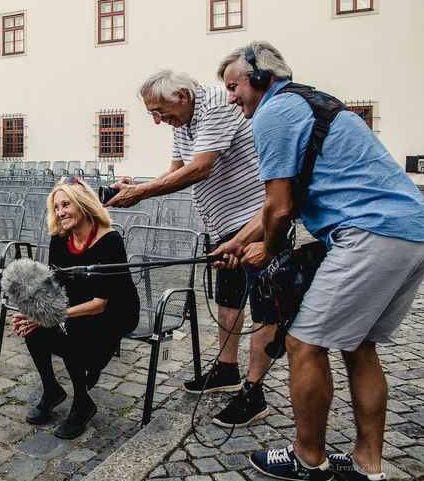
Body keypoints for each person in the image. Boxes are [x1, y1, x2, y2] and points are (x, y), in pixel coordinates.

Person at [216, 41, 424, 481]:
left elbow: (279, 207)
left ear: (259, 78)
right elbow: (271, 208)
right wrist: (235, 242)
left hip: (369, 231)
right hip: (409, 231)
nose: (231, 98)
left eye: (234, 87)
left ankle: (308, 459)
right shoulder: (310, 101)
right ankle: (368, 463)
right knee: (357, 343)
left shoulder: (274, 112)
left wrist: (267, 248)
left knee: (303, 343)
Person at [105, 69, 277, 428]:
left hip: (254, 221)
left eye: (159, 110)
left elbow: (200, 169)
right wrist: (134, 186)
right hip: (220, 224)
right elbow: (176, 169)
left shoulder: (215, 105)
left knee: (265, 308)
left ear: (182, 96)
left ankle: (254, 390)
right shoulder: (180, 123)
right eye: (152, 113)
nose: (156, 120)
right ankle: (227, 370)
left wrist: (140, 194)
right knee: (228, 300)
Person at [12, 177, 140, 439]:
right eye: (56, 207)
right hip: (79, 305)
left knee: (68, 329)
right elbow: (54, 285)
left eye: (66, 205)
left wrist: (54, 316)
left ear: (82, 204)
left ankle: (82, 403)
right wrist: (36, 313)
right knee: (32, 328)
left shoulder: (110, 240)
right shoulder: (60, 239)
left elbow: (100, 304)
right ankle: (52, 390)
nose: (60, 213)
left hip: (115, 311)